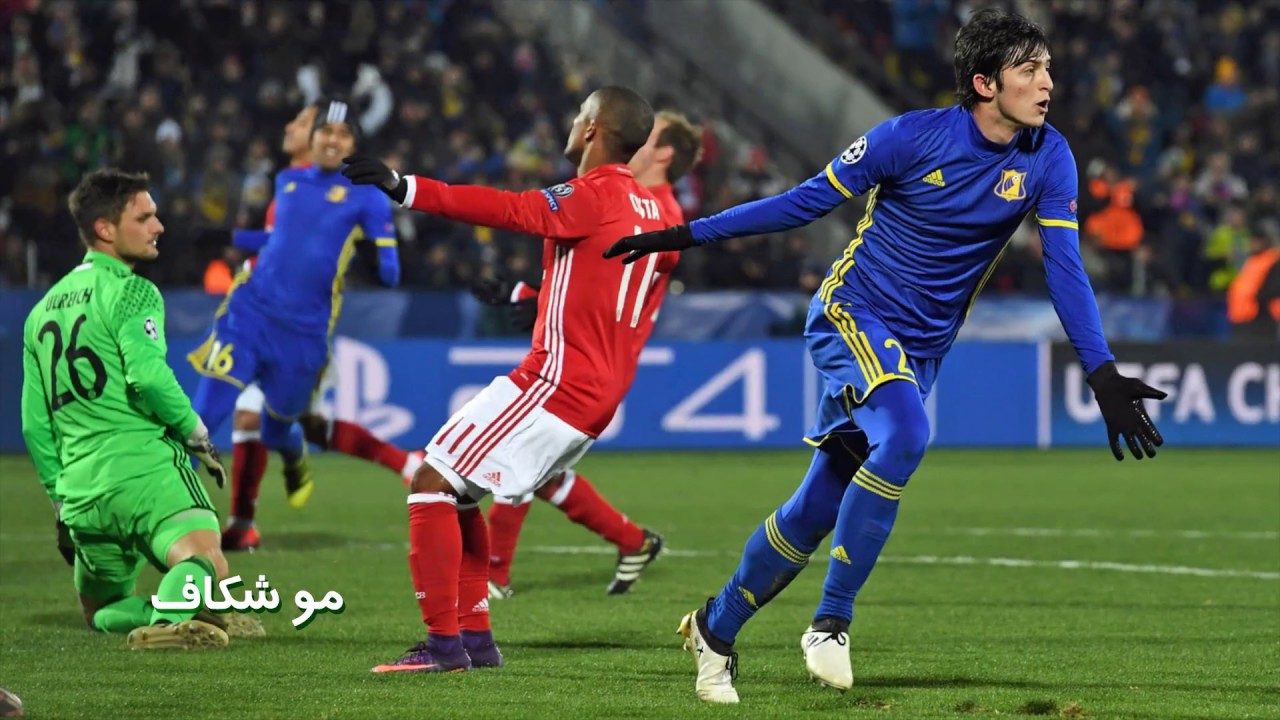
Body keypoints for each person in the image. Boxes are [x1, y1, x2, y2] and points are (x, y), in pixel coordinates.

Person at [605, 9, 1168, 703]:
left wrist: (1101, 371)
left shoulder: (1049, 156)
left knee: (816, 507)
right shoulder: (908, 137)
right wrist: (687, 234)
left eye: (1048, 67)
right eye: (1030, 70)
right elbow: (803, 202)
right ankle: (831, 623)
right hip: (853, 312)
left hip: (920, 350)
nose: (1048, 82)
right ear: (985, 83)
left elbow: (1065, 268)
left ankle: (715, 629)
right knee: (906, 435)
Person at [341, 85, 667, 673]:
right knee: (462, 493)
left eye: (580, 114)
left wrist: (405, 187)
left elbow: (508, 208)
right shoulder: (650, 209)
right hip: (593, 392)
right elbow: (608, 295)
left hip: (557, 382)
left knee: (430, 481)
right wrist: (534, 298)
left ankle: (444, 646)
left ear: (593, 129)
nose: (572, 123)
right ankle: (476, 640)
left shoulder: (593, 194)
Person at [472, 109, 704, 599]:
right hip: (585, 352)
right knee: (539, 466)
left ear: (664, 154)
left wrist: (532, 298)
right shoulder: (632, 202)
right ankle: (633, 541)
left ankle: (493, 574)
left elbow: (608, 294)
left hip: (594, 361)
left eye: (649, 137)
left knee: (518, 451)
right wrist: (527, 296)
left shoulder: (662, 214)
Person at [20, 168, 243, 649]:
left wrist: (60, 500)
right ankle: (170, 618)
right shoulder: (132, 290)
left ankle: (152, 616)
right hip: (145, 473)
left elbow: (35, 424)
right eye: (144, 218)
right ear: (105, 229)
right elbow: (148, 376)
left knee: (99, 610)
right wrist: (197, 433)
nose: (158, 226)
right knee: (206, 562)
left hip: (81, 491)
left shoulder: (41, 312)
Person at [186, 97, 401, 545]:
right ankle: (168, 514)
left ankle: (293, 454)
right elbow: (278, 238)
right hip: (249, 315)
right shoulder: (288, 181)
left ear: (355, 144)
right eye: (325, 130)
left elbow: (391, 273)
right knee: (203, 417)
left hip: (303, 337)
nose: (332, 139)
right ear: (315, 138)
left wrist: (374, 256)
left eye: (343, 134)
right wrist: (226, 236)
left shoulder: (367, 196)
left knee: (277, 427)